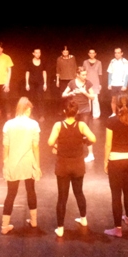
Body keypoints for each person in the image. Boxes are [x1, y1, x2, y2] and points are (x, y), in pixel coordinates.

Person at [47, 99, 97, 238]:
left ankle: (60, 229)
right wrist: (82, 140)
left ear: (64, 111)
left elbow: (50, 142)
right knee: (79, 192)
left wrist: (57, 146)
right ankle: (83, 219)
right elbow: (93, 139)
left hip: (63, 166)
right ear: (77, 112)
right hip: (78, 165)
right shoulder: (81, 125)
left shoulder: (58, 125)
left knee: (62, 197)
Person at [0, 97, 41, 235]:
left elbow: (5, 147)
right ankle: (34, 221)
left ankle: (4, 226)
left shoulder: (8, 124)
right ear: (27, 109)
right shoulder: (34, 124)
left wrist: (5, 164)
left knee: (11, 194)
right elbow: (35, 147)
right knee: (31, 190)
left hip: (13, 163)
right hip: (28, 162)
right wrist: (38, 166)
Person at [104, 94, 128, 237]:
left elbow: (108, 144)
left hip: (116, 160)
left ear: (116, 105)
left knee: (116, 194)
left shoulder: (111, 121)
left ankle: (117, 228)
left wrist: (105, 161)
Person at [62, 66, 96, 162]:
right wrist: (71, 93)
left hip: (85, 110)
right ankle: (74, 152)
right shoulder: (72, 83)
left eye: (85, 74)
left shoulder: (88, 83)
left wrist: (84, 92)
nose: (85, 76)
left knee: (85, 131)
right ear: (77, 75)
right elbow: (63, 94)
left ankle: (91, 154)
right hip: (74, 110)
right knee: (72, 131)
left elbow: (93, 97)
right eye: (83, 75)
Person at [24, 48, 47, 121]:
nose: (38, 54)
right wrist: (27, 83)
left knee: (40, 99)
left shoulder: (43, 61)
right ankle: (31, 114)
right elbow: (27, 72)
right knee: (31, 98)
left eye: (39, 53)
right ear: (33, 53)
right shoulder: (29, 62)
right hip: (32, 82)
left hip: (40, 82)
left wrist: (45, 83)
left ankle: (41, 115)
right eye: (36, 53)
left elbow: (44, 72)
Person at [106, 47, 128, 116]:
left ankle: (123, 114)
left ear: (122, 53)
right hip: (114, 84)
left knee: (123, 100)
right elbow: (110, 73)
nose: (116, 54)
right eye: (115, 53)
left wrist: (125, 85)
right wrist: (109, 84)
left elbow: (127, 74)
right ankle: (114, 113)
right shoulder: (112, 61)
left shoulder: (125, 62)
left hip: (121, 84)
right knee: (113, 99)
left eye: (118, 53)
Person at [84, 49, 103, 119]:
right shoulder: (85, 62)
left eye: (93, 53)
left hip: (95, 82)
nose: (92, 54)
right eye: (90, 53)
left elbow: (100, 73)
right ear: (88, 54)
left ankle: (96, 114)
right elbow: (83, 73)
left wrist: (100, 84)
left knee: (95, 99)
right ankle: (87, 113)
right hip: (87, 82)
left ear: (95, 54)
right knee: (87, 99)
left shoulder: (99, 62)